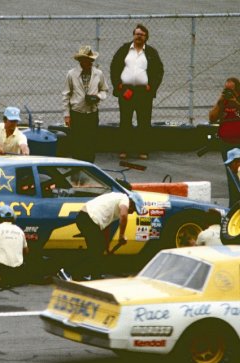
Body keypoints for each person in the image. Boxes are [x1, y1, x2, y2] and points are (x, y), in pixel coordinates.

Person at [57, 191, 144, 281]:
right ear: (132, 202)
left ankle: (89, 275)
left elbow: (106, 226)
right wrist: (121, 235)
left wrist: (106, 246)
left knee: (96, 250)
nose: (132, 212)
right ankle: (67, 271)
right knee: (95, 250)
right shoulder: (124, 199)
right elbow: (124, 216)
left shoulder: (116, 204)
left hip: (86, 218)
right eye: (133, 209)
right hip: (88, 218)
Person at [110, 24, 164, 160]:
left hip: (143, 93)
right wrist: (118, 86)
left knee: (144, 122)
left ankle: (143, 150)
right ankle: (123, 150)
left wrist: (152, 86)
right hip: (126, 90)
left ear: (146, 37)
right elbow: (114, 66)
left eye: (142, 35)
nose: (139, 37)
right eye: (137, 34)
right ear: (133, 35)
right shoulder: (124, 50)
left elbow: (159, 71)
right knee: (125, 121)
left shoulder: (151, 52)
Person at [62, 45, 108, 163]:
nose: (89, 62)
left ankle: (89, 168)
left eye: (90, 60)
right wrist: (67, 115)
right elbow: (66, 95)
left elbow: (104, 90)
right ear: (80, 61)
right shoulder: (71, 74)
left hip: (92, 113)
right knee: (77, 143)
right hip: (77, 113)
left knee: (91, 143)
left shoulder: (98, 74)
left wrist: (97, 97)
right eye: (86, 60)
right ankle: (76, 169)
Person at [0, 205, 29, 288]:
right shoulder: (19, 230)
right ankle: (9, 279)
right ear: (14, 217)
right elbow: (26, 252)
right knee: (20, 275)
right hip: (19, 269)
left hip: (1, 267)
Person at [209, 77, 240, 157]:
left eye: (231, 90)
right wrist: (220, 100)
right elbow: (212, 118)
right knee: (229, 167)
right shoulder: (223, 102)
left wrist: (236, 102)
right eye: (227, 90)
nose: (229, 93)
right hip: (225, 141)